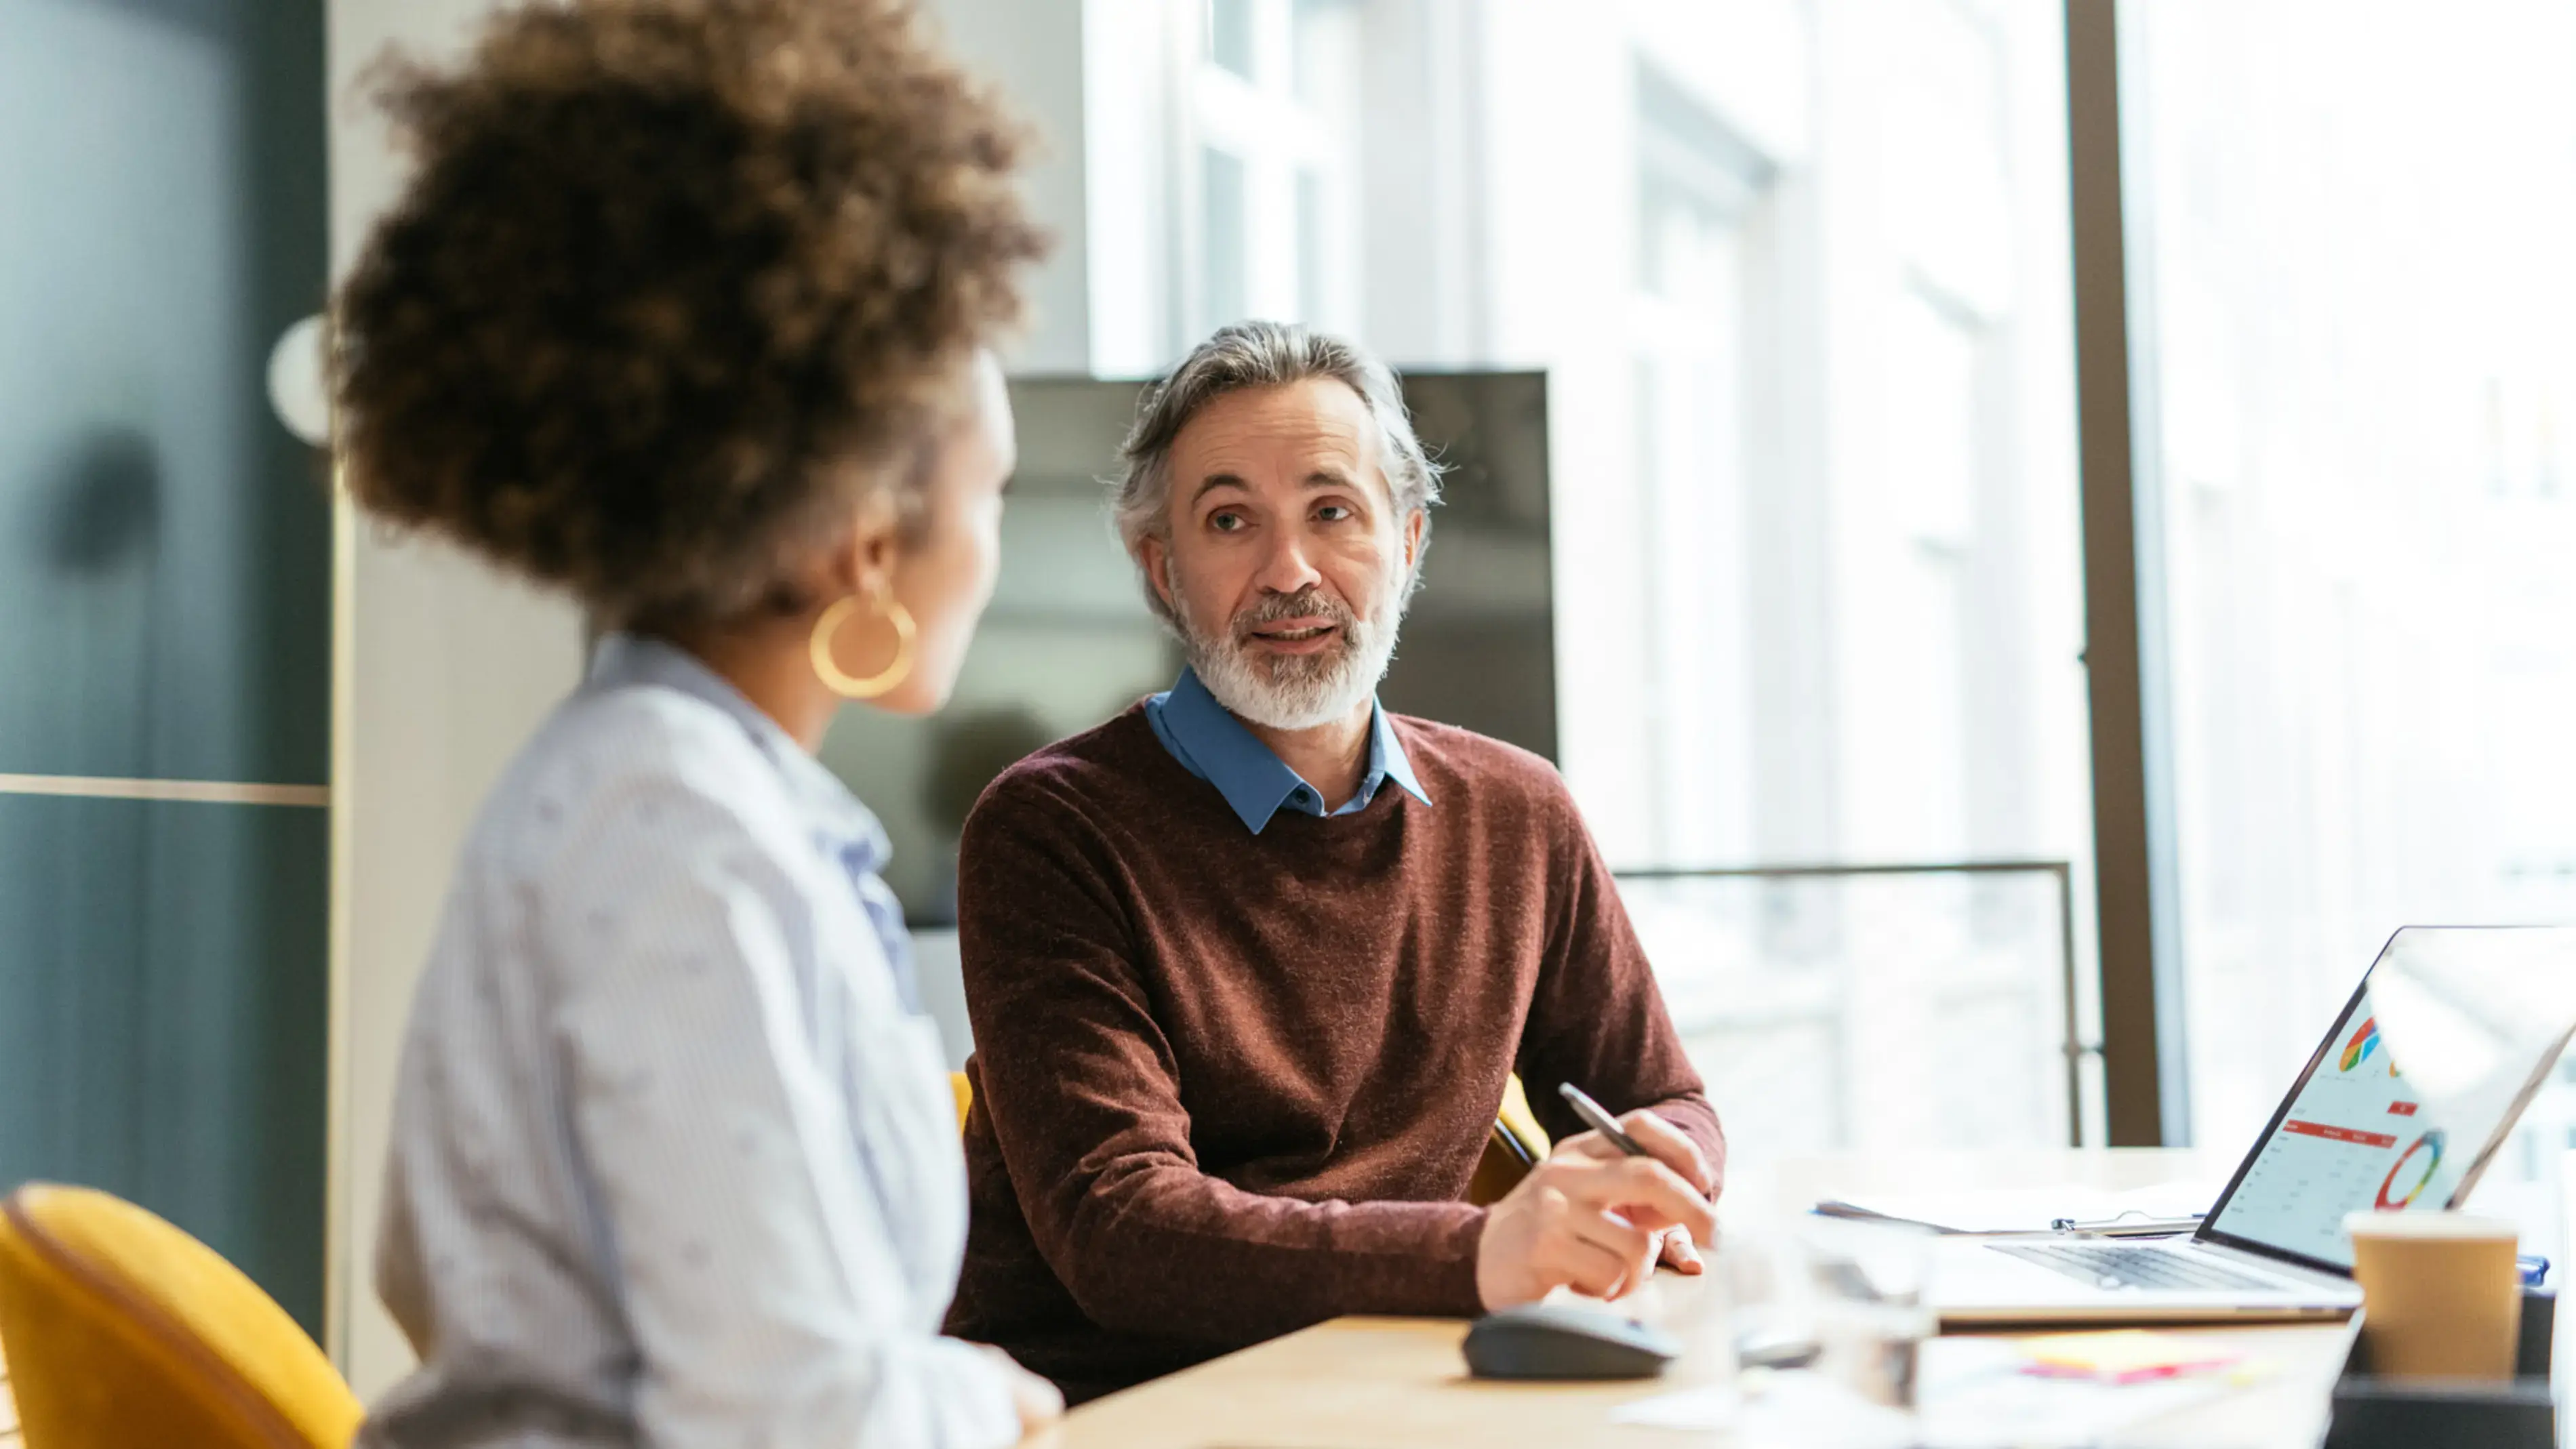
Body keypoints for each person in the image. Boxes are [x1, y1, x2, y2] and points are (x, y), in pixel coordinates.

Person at [332, 2, 1059, 1444]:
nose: (994, 544)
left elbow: (428, 1272)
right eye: (992, 493)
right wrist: (979, 1400)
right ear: (865, 535)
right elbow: (790, 1415)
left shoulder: (652, 782)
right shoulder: (681, 830)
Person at [944, 321, 1725, 1402]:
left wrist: (1655, 1166)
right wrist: (1482, 1252)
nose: (1290, 572)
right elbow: (1121, 1227)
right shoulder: (1048, 829)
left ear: (1407, 542)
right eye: (1230, 521)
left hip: (1409, 1383)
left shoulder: (1519, 809)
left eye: (1333, 511)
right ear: (1159, 568)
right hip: (1128, 1407)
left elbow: (1661, 1094)